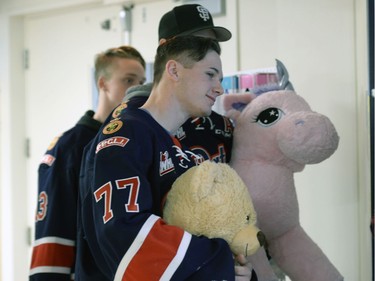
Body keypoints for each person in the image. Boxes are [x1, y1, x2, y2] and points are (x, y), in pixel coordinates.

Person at [75, 35, 254, 281]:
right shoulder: (127, 132)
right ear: (174, 70)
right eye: (210, 74)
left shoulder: (174, 144)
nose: (219, 88)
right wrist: (217, 261)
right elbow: (124, 231)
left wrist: (237, 270)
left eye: (220, 79)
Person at [29, 45, 146, 281]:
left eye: (142, 81)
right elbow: (52, 226)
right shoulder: (69, 147)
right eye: (128, 80)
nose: (137, 89)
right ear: (103, 83)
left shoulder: (140, 138)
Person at [125, 4, 235, 164]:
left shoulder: (217, 125)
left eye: (213, 42)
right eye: (197, 41)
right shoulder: (132, 125)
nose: (209, 49)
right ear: (165, 46)